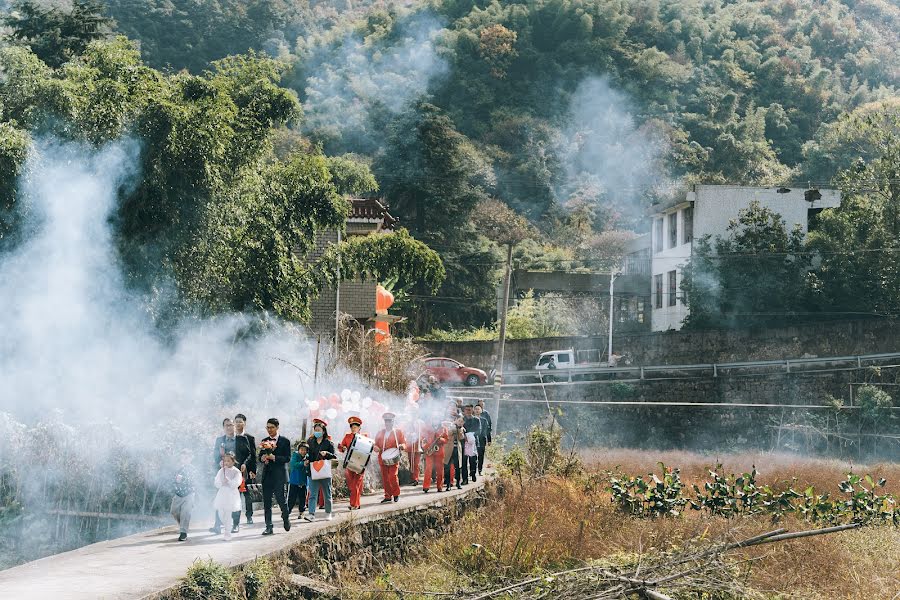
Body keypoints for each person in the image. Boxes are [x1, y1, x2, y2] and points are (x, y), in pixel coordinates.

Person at [258, 417, 291, 535]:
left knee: (281, 499)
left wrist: (275, 458)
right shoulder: (264, 441)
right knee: (267, 502)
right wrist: (262, 458)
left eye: (272, 427)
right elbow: (260, 456)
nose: (269, 430)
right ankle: (269, 526)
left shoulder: (285, 441)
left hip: (280, 476)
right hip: (267, 475)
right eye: (268, 427)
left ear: (277, 427)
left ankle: (286, 517)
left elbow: (287, 458)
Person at [304, 418, 336, 521]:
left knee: (327, 493)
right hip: (313, 471)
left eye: (319, 430)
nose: (317, 432)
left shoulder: (329, 443)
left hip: (325, 471)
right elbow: (307, 454)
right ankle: (311, 514)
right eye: (315, 430)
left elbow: (334, 457)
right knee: (312, 494)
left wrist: (327, 454)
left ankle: (328, 513)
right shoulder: (310, 441)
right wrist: (306, 460)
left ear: (323, 431)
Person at [210, 418, 238, 534]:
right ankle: (217, 525)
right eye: (226, 425)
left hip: (235, 472)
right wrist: (219, 462)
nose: (229, 427)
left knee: (235, 500)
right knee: (219, 498)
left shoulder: (239, 439)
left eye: (231, 425)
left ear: (234, 426)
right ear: (223, 427)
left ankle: (235, 524)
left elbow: (244, 453)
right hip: (223, 472)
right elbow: (216, 454)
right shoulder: (219, 440)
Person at [373, 412, 407, 503]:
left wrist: (402, 446)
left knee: (393, 476)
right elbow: (375, 444)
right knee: (385, 478)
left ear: (393, 422)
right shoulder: (380, 433)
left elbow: (404, 443)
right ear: (384, 422)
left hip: (394, 457)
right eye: (386, 422)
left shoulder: (398, 432)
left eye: (390, 421)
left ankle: (396, 494)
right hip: (382, 457)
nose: (388, 423)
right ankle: (387, 496)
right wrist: (375, 447)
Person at [213, 452, 243, 541]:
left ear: (233, 462)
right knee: (221, 513)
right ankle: (225, 524)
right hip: (222, 494)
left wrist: (229, 481)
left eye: (229, 461)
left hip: (231, 495)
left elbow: (237, 483)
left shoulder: (236, 471)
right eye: (225, 461)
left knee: (228, 513)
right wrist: (221, 482)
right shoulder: (221, 470)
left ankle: (227, 533)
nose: (226, 463)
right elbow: (216, 481)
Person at [233, 413, 257, 524]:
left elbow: (253, 455)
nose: (238, 424)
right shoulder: (231, 438)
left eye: (240, 421)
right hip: (233, 470)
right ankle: (235, 519)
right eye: (236, 421)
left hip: (246, 471)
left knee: (248, 495)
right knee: (235, 495)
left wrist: (253, 470)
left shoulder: (250, 438)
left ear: (244, 423)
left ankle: (249, 516)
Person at [338, 416, 365, 510]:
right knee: (351, 485)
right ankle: (357, 503)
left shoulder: (364, 437)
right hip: (349, 463)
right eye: (352, 427)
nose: (353, 429)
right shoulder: (347, 436)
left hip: (360, 463)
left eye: (355, 427)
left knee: (355, 484)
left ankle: (354, 504)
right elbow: (341, 447)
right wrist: (342, 448)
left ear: (359, 428)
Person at [171, 448, 196, 542]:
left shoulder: (192, 469)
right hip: (178, 494)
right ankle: (183, 525)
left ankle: (183, 533)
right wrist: (175, 482)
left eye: (186, 458)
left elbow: (193, 480)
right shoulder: (178, 468)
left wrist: (183, 479)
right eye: (183, 458)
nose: (184, 459)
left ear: (191, 458)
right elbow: (173, 479)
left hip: (189, 494)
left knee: (185, 512)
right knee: (174, 511)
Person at [420, 418, 448, 493]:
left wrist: (441, 439)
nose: (435, 420)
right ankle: (426, 486)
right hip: (430, 450)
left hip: (439, 451)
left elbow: (446, 439)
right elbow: (422, 439)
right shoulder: (427, 428)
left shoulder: (444, 428)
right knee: (428, 468)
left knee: (440, 469)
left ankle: (440, 486)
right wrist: (425, 447)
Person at [287, 441, 309, 520]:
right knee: (291, 498)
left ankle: (301, 512)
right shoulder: (295, 455)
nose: (303, 451)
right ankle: (287, 512)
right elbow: (293, 464)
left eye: (305, 450)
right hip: (294, 481)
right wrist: (302, 464)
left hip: (303, 481)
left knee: (302, 497)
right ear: (298, 450)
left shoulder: (307, 457)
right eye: (301, 449)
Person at [461, 404, 481, 484]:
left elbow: (479, 431)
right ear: (464, 411)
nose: (468, 412)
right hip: (464, 442)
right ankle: (465, 479)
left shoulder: (476, 420)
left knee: (473, 461)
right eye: (466, 410)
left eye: (470, 410)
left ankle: (473, 473)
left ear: (472, 410)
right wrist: (464, 436)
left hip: (473, 443)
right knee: (464, 462)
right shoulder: (462, 419)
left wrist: (471, 435)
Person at [443, 416, 464, 490]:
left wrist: (459, 429)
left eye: (461, 421)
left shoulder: (461, 428)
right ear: (455, 420)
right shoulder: (449, 426)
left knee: (458, 467)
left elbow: (461, 438)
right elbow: (448, 435)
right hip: (448, 448)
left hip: (457, 449)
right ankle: (448, 484)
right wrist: (453, 428)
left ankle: (458, 483)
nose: (460, 422)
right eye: (459, 421)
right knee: (447, 467)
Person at [405, 406, 424, 487]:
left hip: (417, 445)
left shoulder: (421, 423)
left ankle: (415, 478)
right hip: (410, 445)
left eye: (415, 413)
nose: (414, 415)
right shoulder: (408, 422)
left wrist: (419, 438)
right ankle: (412, 478)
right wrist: (409, 434)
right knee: (411, 463)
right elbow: (405, 432)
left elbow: (423, 434)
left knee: (416, 464)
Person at [474, 405, 490, 476]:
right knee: (473, 456)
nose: (477, 410)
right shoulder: (472, 419)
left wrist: (489, 440)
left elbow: (488, 431)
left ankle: (480, 470)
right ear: (474, 410)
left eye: (478, 409)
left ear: (481, 411)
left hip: (482, 439)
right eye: (476, 409)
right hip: (473, 440)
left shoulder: (484, 420)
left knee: (481, 455)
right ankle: (473, 471)